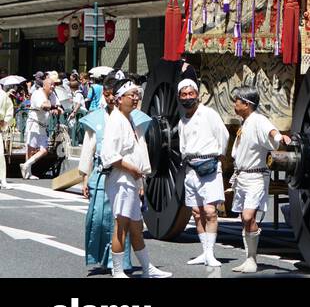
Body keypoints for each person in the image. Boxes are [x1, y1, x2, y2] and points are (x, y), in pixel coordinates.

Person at [100, 75, 171, 279]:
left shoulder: (129, 119)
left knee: (136, 227)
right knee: (121, 224)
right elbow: (110, 154)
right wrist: (132, 170)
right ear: (119, 98)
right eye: (132, 95)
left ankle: (148, 268)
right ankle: (118, 270)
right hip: (121, 178)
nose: (136, 98)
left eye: (137, 95)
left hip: (131, 178)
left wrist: (138, 178)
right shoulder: (116, 120)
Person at [229, 86, 289, 274]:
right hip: (242, 175)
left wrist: (280, 136)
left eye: (236, 100)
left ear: (246, 104)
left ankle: (253, 259)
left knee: (248, 216)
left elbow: (271, 131)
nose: (234, 104)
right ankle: (248, 258)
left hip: (256, 175)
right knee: (245, 219)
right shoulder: (246, 121)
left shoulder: (258, 119)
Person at [78, 78, 134, 274]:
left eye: (114, 95)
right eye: (107, 95)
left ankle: (118, 263)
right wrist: (85, 177)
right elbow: (88, 149)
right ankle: (102, 258)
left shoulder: (129, 117)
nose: (111, 98)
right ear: (104, 95)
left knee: (120, 221)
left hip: (123, 174)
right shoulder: (95, 119)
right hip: (101, 175)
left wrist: (141, 180)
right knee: (99, 220)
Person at [177, 78, 230, 269]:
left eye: (191, 94)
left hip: (209, 165)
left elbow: (223, 135)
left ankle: (210, 253)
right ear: (179, 97)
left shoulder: (209, 114)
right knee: (196, 212)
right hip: (191, 168)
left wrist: (220, 155)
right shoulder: (183, 120)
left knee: (210, 211)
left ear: (197, 95)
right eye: (184, 95)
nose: (188, 97)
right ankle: (204, 252)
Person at [20, 73, 59, 179]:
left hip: (43, 126)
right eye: (51, 84)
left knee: (44, 150)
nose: (53, 86)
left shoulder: (53, 95)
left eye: (54, 84)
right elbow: (44, 106)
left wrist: (56, 109)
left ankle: (26, 165)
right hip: (34, 124)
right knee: (30, 149)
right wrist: (53, 107)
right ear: (44, 85)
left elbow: (59, 108)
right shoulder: (37, 93)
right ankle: (28, 173)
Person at [0, 81, 14, 189]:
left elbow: (9, 110)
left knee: (0, 155)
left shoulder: (3, 95)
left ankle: (2, 179)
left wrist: (5, 121)